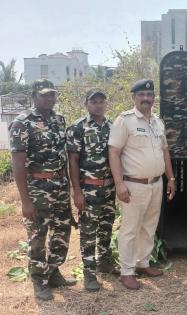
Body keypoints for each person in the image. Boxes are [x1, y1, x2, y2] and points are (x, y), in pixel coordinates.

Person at [9, 79, 76, 301]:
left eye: (53, 94)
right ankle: (39, 280)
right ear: (34, 96)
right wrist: (25, 201)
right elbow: (18, 164)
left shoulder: (58, 119)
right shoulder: (22, 122)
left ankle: (54, 271)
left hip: (60, 185)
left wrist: (68, 186)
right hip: (37, 187)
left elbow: (62, 155)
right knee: (38, 235)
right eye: (45, 94)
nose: (50, 98)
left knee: (62, 231)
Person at [108, 79, 176, 290]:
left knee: (149, 226)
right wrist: (119, 184)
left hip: (156, 183)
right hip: (133, 184)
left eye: (149, 95)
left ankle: (142, 264)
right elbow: (114, 152)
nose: (146, 99)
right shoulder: (124, 120)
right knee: (130, 229)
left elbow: (165, 151)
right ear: (134, 98)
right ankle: (126, 271)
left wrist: (170, 178)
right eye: (141, 96)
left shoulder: (157, 122)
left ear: (153, 98)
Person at [66, 89, 119, 292]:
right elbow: (73, 161)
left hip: (108, 188)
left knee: (106, 226)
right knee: (88, 232)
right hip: (88, 188)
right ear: (86, 104)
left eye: (101, 101)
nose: (98, 104)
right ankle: (89, 273)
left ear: (106, 104)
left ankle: (105, 262)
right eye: (93, 101)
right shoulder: (78, 127)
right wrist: (76, 191)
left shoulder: (113, 127)